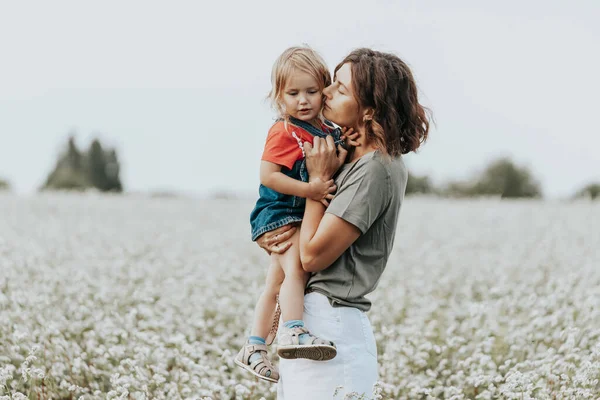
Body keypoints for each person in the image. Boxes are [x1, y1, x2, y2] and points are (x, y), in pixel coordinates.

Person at [256, 48, 430, 399]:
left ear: (370, 108)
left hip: (331, 324)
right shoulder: (351, 158)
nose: (326, 92)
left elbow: (311, 257)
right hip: (309, 327)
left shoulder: (377, 168)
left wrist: (314, 185)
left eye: (340, 87)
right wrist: (273, 231)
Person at [235, 45, 350, 383]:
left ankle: (254, 346)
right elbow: (268, 176)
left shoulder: (326, 129)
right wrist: (311, 190)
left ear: (324, 91)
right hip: (279, 213)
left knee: (276, 282)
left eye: (312, 91)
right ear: (279, 97)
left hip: (293, 215)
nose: (303, 100)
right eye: (293, 93)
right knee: (296, 270)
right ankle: (293, 330)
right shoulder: (284, 131)